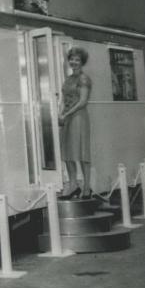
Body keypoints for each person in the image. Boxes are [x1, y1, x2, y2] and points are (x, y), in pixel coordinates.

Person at [58, 47, 91, 198]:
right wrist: (61, 112)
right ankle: (73, 185)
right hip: (67, 117)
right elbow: (64, 99)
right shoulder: (68, 79)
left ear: (82, 62)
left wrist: (67, 113)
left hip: (78, 117)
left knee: (82, 152)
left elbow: (83, 101)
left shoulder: (84, 79)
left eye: (77, 60)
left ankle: (86, 188)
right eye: (72, 59)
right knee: (67, 153)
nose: (74, 62)